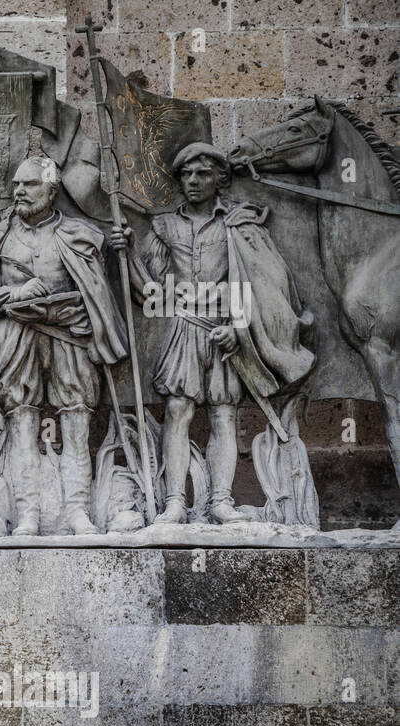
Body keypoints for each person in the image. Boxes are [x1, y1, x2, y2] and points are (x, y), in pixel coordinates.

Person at [110, 142, 315, 524]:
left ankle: (221, 500)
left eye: (202, 174)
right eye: (186, 175)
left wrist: (240, 329)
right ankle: (174, 501)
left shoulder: (239, 224)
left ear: (220, 179)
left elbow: (269, 286)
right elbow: (150, 289)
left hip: (225, 329)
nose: (192, 181)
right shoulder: (165, 226)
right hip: (184, 326)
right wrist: (125, 253)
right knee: (178, 409)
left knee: (224, 414)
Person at [0, 157, 128, 535]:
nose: (19, 192)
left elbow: (101, 294)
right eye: (16, 185)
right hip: (17, 339)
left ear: (51, 190)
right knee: (22, 422)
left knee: (77, 421)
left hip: (69, 336)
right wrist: (15, 292)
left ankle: (78, 511)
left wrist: (126, 247)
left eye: (28, 185)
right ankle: (28, 513)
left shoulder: (81, 235)